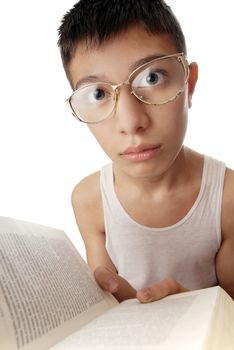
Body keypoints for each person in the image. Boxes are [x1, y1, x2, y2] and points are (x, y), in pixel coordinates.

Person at [58, 0, 234, 303]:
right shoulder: (89, 201)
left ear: (188, 84)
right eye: (98, 93)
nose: (131, 123)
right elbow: (106, 306)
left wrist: (192, 312)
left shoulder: (227, 199)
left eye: (152, 77)